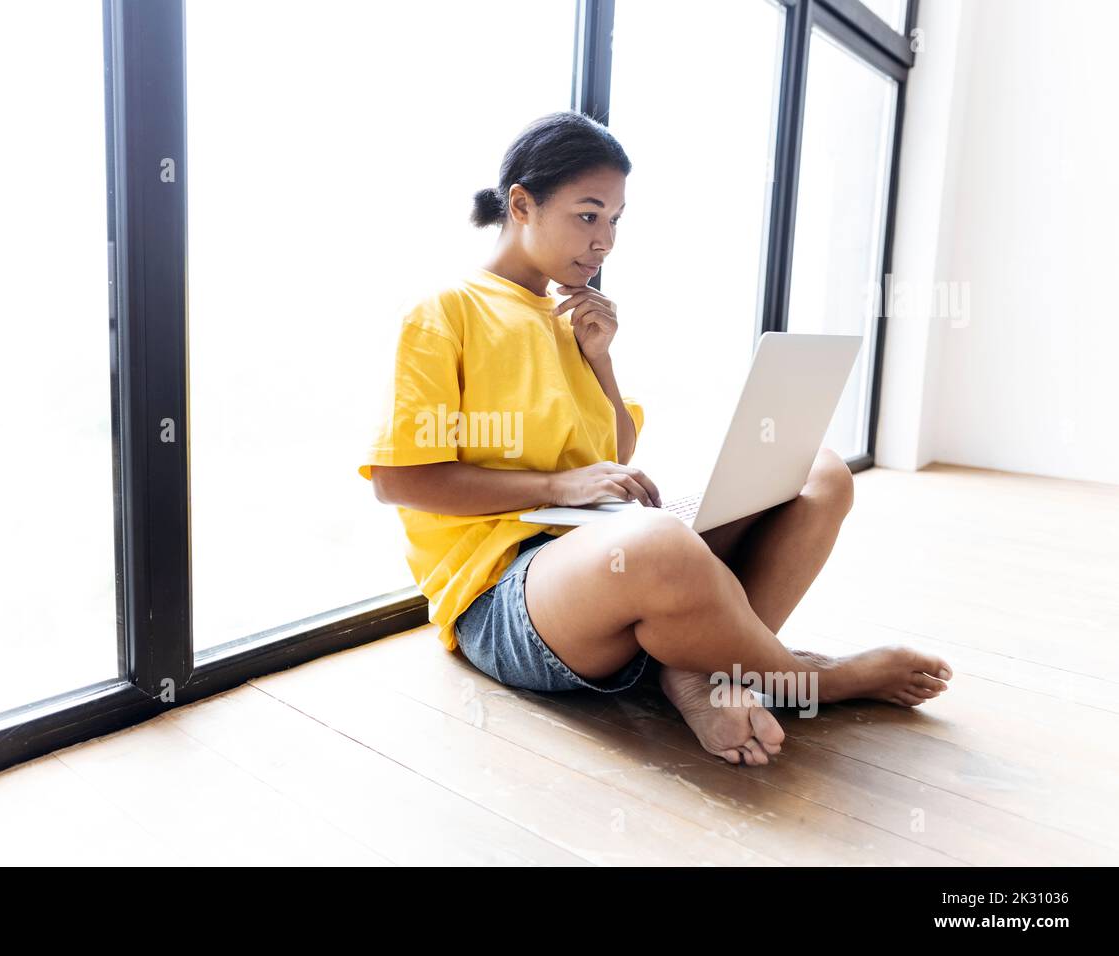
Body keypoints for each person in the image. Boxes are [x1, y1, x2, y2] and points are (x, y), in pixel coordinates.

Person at [359, 109, 952, 767]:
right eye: (588, 215)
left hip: (598, 551)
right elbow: (399, 480)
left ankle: (698, 670)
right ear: (522, 204)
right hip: (507, 599)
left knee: (819, 472)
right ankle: (807, 678)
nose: (605, 239)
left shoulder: (570, 317)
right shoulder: (446, 312)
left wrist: (601, 360)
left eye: (615, 220)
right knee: (655, 541)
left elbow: (612, 457)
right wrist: (560, 485)